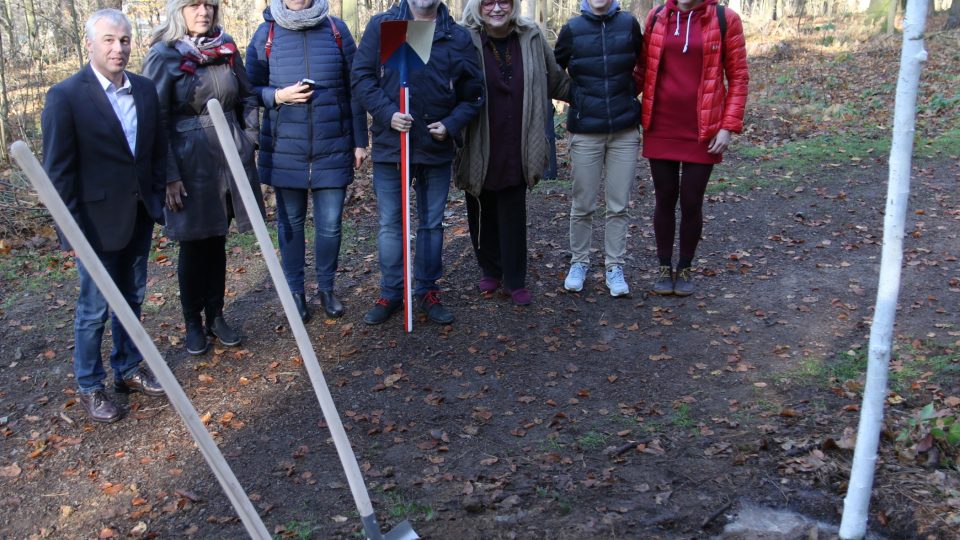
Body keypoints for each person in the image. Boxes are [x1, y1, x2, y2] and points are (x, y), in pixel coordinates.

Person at [42, 9, 167, 423]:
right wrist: (70, 233)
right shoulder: (66, 96)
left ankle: (127, 369)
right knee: (94, 308)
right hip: (93, 224)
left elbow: (156, 149)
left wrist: (159, 193)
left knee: (132, 298)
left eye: (125, 40)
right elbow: (58, 173)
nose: (119, 48)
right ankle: (90, 384)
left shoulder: (146, 90)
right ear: (90, 44)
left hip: (138, 214)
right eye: (110, 40)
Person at [143, 0, 264, 355]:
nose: (203, 12)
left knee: (217, 240)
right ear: (178, 11)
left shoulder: (225, 49)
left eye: (209, 5)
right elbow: (154, 119)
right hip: (188, 165)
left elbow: (250, 97)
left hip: (231, 159)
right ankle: (192, 324)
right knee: (195, 245)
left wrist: (249, 138)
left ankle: (216, 315)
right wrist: (168, 176)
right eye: (194, 5)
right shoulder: (163, 55)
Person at [352, 0, 483, 325]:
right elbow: (361, 78)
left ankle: (426, 290)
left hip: (434, 148)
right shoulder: (383, 27)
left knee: (430, 224)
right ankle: (392, 292)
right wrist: (387, 114)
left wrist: (451, 124)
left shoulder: (457, 37)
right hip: (391, 146)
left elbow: (475, 93)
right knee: (390, 225)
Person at [246, 0, 368, 321]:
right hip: (286, 148)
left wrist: (359, 141)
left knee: (329, 227)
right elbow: (249, 88)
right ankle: (296, 293)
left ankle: (327, 289)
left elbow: (355, 88)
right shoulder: (266, 33)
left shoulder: (336, 29)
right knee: (291, 224)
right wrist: (277, 96)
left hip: (333, 146)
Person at [455, 0, 569, 306]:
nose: (496, 8)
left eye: (502, 1)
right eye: (488, 2)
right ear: (477, 7)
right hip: (480, 136)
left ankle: (515, 278)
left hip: (519, 137)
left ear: (513, 5)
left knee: (513, 208)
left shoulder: (530, 36)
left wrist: (596, 94)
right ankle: (490, 268)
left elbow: (556, 80)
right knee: (481, 204)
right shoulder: (463, 38)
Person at [635, 0, 748, 296]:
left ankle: (684, 267)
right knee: (664, 198)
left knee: (691, 200)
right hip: (660, 124)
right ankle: (663, 267)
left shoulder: (726, 19)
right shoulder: (657, 17)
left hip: (704, 129)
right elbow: (643, 68)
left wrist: (727, 126)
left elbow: (738, 77)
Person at [555, 0, 642, 298]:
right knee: (583, 205)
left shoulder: (629, 24)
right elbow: (555, 72)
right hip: (586, 132)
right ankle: (579, 262)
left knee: (618, 205)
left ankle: (614, 266)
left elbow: (644, 64)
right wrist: (577, 97)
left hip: (624, 131)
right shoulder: (572, 29)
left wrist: (631, 94)